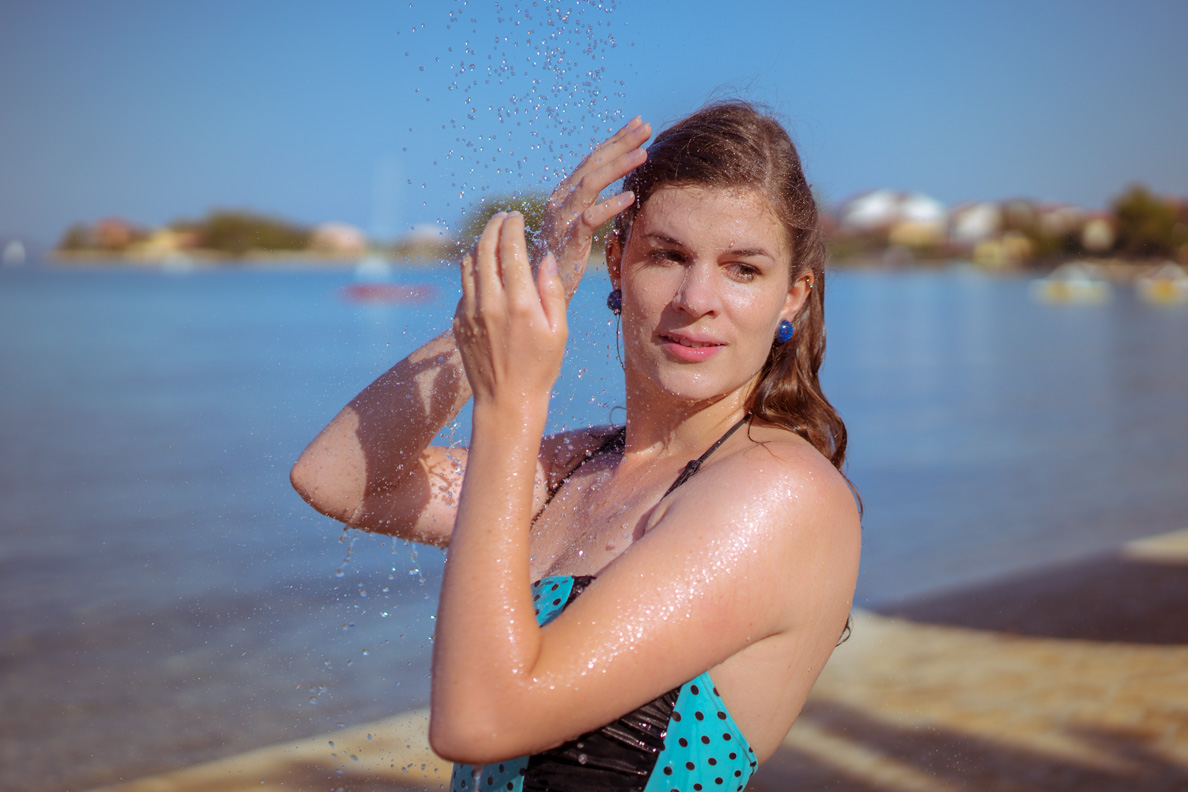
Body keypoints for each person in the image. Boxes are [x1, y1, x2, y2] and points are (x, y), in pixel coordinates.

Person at [291, 101, 861, 792]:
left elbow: (480, 723)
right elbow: (341, 476)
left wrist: (511, 408)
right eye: (668, 256)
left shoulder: (775, 491)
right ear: (616, 263)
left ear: (792, 299)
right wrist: (539, 288)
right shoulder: (579, 469)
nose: (697, 298)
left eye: (743, 269)